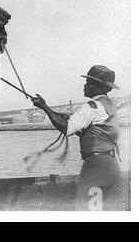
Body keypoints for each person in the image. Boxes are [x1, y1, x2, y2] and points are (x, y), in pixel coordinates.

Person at [31, 65, 121, 210]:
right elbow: (96, 131)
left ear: (97, 86)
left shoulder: (92, 106)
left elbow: (67, 128)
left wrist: (44, 107)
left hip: (96, 167)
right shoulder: (109, 105)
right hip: (111, 165)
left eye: (88, 83)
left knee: (86, 210)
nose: (85, 85)